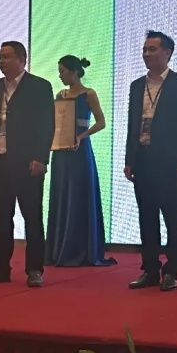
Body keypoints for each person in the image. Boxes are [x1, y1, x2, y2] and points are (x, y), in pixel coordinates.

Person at [0, 41, 55, 288]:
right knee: (1, 218)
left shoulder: (39, 86)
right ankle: (0, 268)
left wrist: (40, 157)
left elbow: (47, 124)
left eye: (7, 57)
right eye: (0, 57)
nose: (2, 61)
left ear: (22, 59)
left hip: (27, 163)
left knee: (32, 217)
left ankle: (35, 270)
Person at [124, 31, 177, 291]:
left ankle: (172, 270)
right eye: (144, 49)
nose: (146, 54)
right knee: (146, 217)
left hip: (171, 161)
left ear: (167, 53)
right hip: (143, 158)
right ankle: (150, 269)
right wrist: (129, 159)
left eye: (152, 49)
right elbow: (133, 124)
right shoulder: (136, 86)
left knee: (173, 218)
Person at [47, 55, 115, 267]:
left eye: (63, 71)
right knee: (62, 193)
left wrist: (81, 136)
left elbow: (101, 122)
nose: (60, 75)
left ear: (74, 71)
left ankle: (81, 248)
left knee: (79, 193)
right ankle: (59, 247)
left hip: (79, 150)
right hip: (61, 150)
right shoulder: (60, 95)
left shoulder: (89, 94)